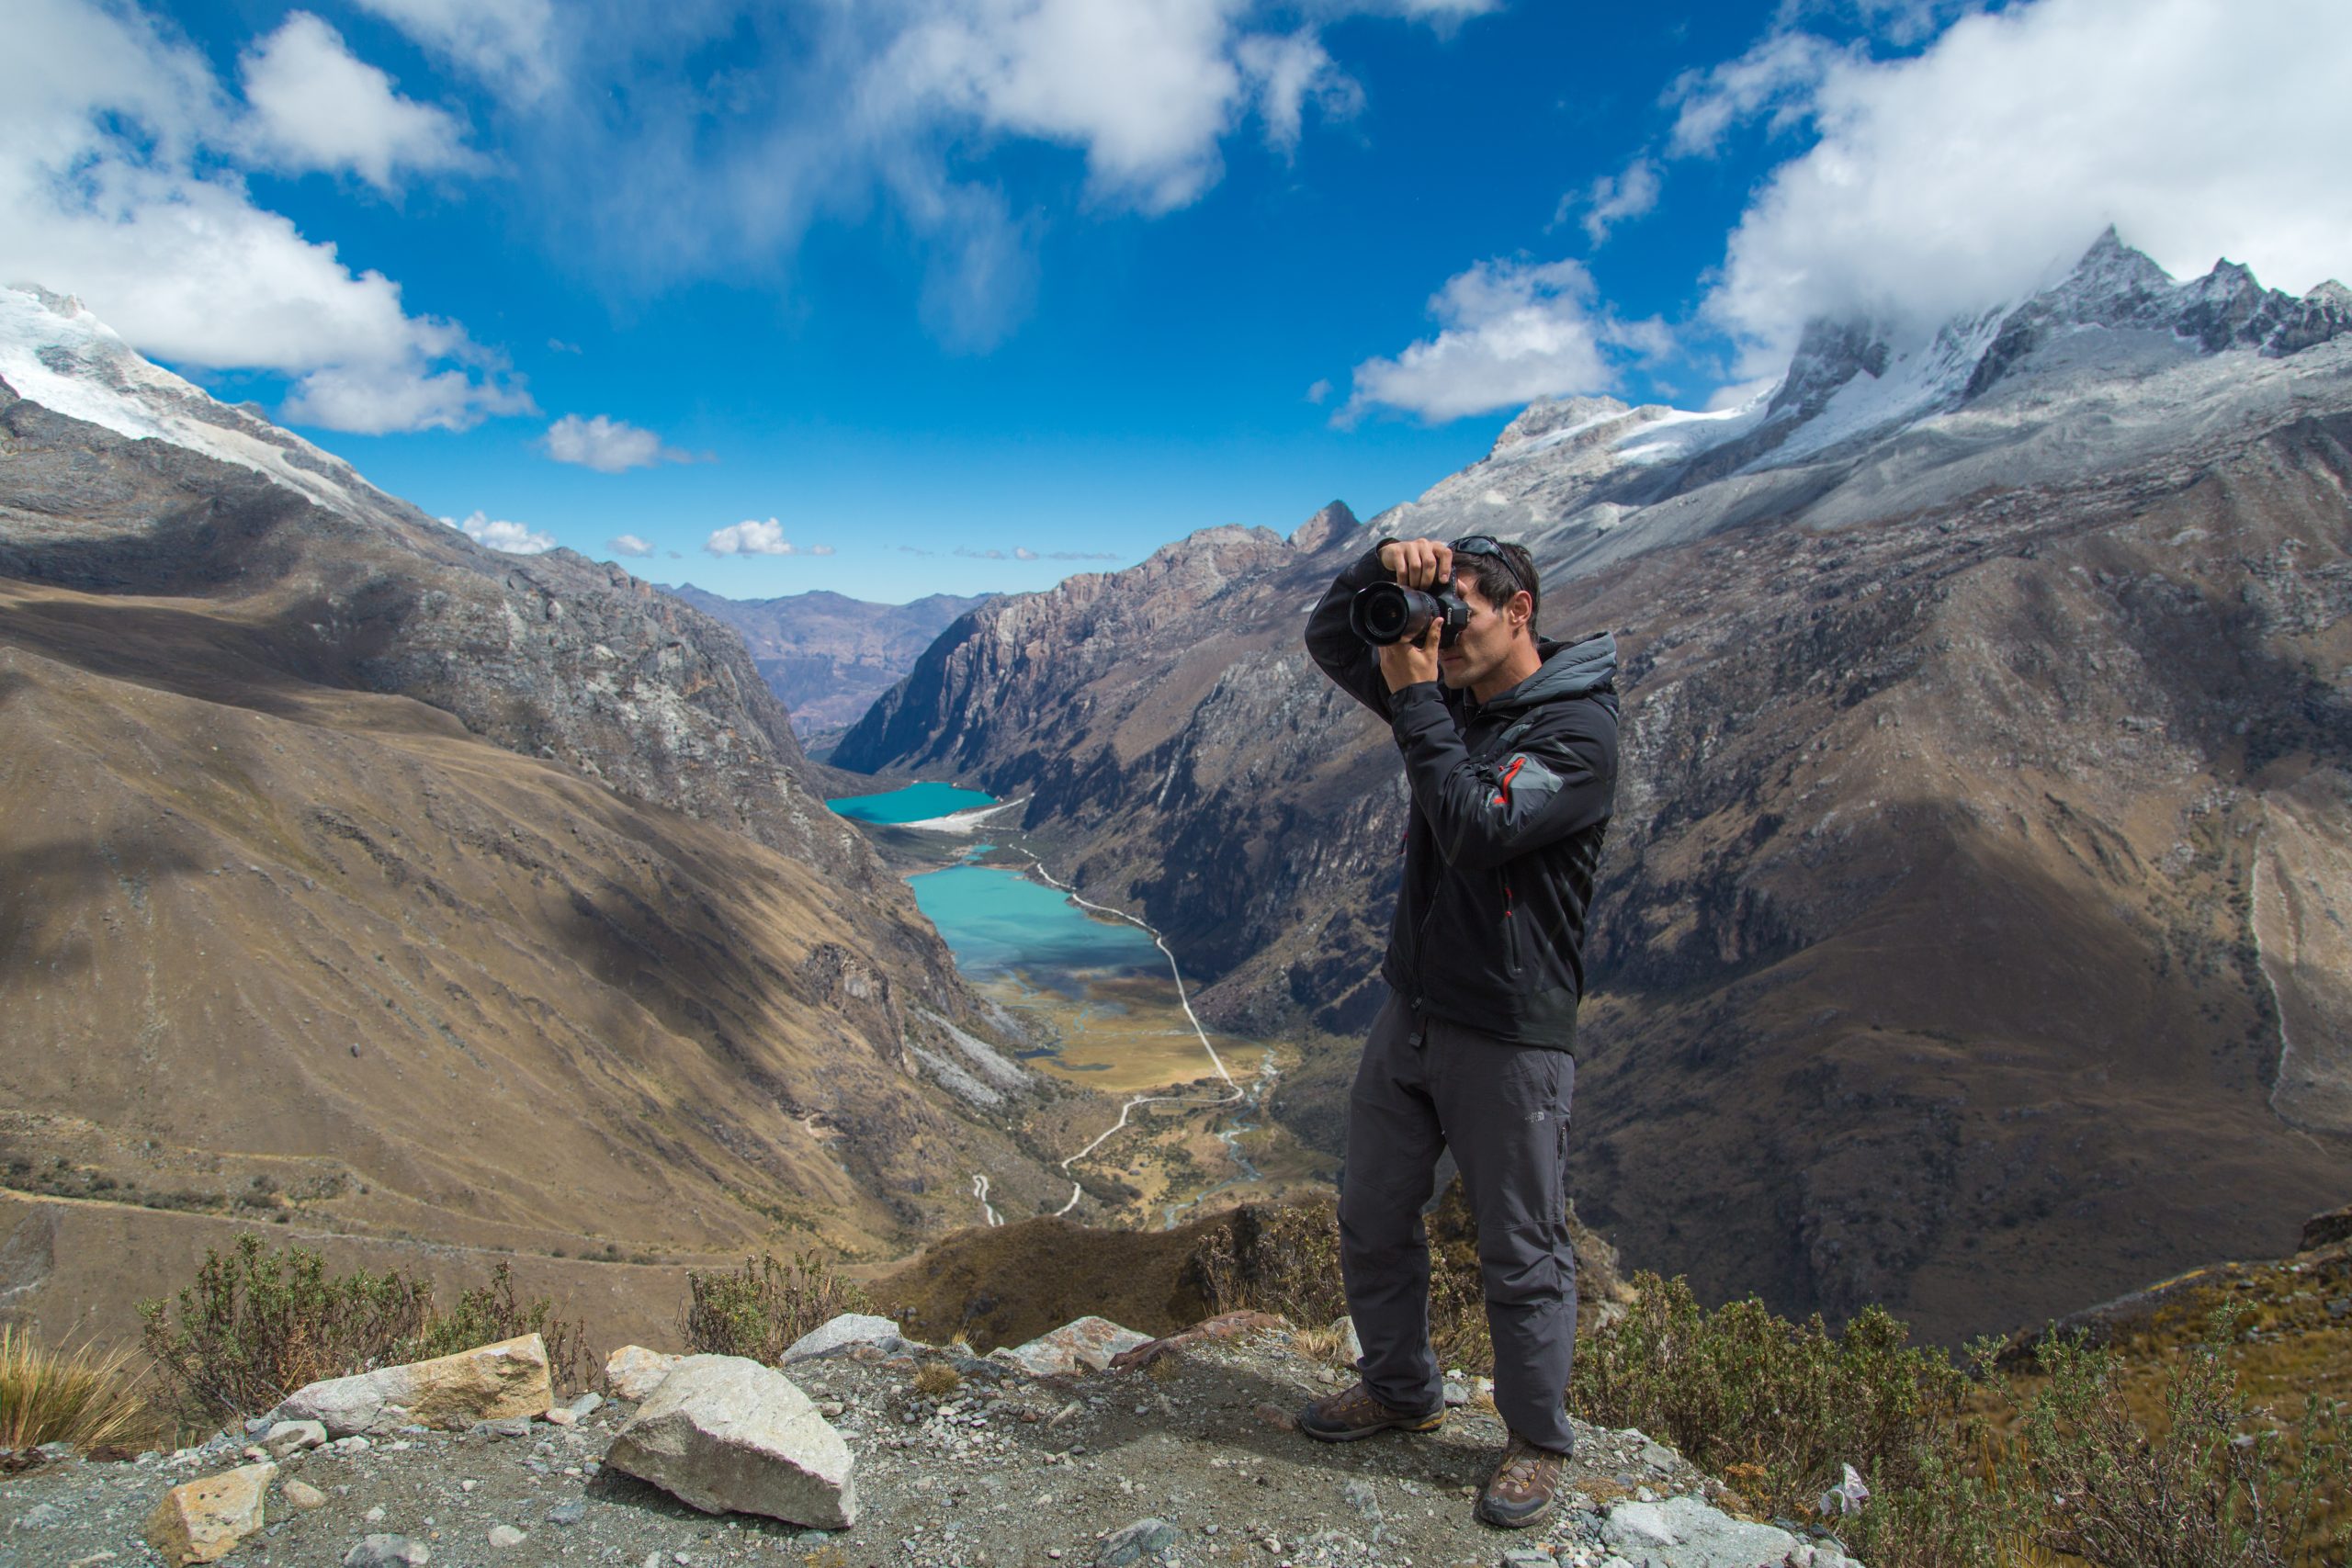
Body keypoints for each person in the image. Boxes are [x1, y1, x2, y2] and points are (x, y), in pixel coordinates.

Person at [1296, 533, 1619, 1530]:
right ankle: (1399, 1390)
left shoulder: (1578, 736)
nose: (1440, 632)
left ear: (1521, 611)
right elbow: (1327, 634)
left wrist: (1419, 698)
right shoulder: (1454, 697)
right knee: (1371, 1210)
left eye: (1461, 612)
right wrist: (1378, 569)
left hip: (1509, 1032)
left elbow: (1475, 827)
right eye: (1438, 613)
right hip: (1415, 1007)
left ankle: (1535, 1443)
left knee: (1520, 1248)